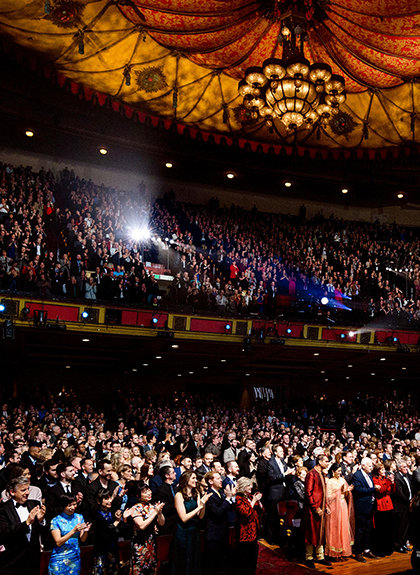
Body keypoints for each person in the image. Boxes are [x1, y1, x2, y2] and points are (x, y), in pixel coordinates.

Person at [0, 476, 46, 575]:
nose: (27, 492)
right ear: (12, 492)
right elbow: (4, 532)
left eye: (28, 489)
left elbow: (42, 531)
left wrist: (41, 520)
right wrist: (26, 523)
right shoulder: (3, 509)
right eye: (23, 490)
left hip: (33, 557)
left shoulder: (34, 504)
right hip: (13, 559)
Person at [172, 470, 211, 574]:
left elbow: (200, 516)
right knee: (184, 561)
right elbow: (183, 518)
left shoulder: (196, 493)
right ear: (186, 479)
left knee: (195, 560)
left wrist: (203, 504)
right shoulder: (179, 495)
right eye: (193, 478)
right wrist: (200, 507)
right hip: (183, 532)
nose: (196, 480)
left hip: (194, 531)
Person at [125, 480, 165, 575]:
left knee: (152, 569)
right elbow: (141, 526)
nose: (149, 493)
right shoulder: (136, 508)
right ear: (138, 495)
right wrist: (155, 512)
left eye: (149, 490)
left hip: (151, 543)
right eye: (144, 492)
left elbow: (162, 523)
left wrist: (159, 513)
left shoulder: (152, 506)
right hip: (140, 544)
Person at [48, 493, 91, 575]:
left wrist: (85, 531)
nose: (73, 507)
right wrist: (73, 531)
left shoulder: (79, 517)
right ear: (63, 506)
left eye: (74, 504)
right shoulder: (56, 520)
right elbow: (58, 542)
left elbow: (82, 539)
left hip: (74, 558)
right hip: (59, 559)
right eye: (69, 505)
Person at [303, 453, 332, 568]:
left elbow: (323, 492)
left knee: (320, 532)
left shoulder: (321, 474)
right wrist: (315, 508)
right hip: (312, 510)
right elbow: (308, 493)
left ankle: (320, 556)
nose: (328, 463)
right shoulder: (311, 474)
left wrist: (325, 506)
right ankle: (309, 557)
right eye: (326, 461)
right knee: (311, 533)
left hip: (321, 508)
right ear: (320, 462)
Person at [325, 463, 354, 560]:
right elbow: (328, 497)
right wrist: (339, 491)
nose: (339, 473)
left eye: (340, 471)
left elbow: (345, 493)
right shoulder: (330, 482)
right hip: (334, 506)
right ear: (333, 471)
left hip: (342, 505)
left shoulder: (342, 480)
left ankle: (342, 551)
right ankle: (334, 552)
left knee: (343, 526)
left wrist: (348, 491)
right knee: (335, 528)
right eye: (338, 471)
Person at [235, 476, 263, 575]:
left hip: (254, 531)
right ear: (243, 487)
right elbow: (246, 512)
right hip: (245, 532)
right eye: (248, 485)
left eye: (251, 485)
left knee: (253, 559)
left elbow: (261, 510)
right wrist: (254, 501)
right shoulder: (239, 499)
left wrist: (258, 500)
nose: (251, 487)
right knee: (244, 560)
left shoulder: (250, 497)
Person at [351, 457, 377, 562]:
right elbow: (358, 490)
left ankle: (367, 549)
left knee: (368, 529)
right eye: (369, 466)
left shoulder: (369, 474)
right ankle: (358, 552)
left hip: (370, 506)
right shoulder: (357, 475)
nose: (371, 467)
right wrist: (373, 489)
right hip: (361, 507)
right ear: (363, 466)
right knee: (360, 530)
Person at [92, 489, 122, 575]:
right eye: (106, 498)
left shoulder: (112, 512)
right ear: (98, 501)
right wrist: (117, 522)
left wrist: (123, 519)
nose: (109, 501)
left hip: (113, 549)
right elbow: (105, 531)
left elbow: (118, 530)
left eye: (110, 498)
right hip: (101, 550)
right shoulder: (96, 515)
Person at [372, 463, 395, 557]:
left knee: (388, 528)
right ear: (378, 471)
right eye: (381, 470)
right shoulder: (375, 479)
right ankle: (380, 550)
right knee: (381, 529)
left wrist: (392, 483)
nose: (384, 471)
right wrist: (389, 482)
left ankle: (388, 548)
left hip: (389, 504)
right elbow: (381, 491)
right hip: (381, 505)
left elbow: (391, 491)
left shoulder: (385, 479)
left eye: (384, 469)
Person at [393, 459, 413, 553]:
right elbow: (399, 493)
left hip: (407, 505)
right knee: (400, 527)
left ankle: (403, 543)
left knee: (406, 526)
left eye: (406, 466)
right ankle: (398, 545)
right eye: (404, 467)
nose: (406, 468)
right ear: (399, 468)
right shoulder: (397, 477)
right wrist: (409, 501)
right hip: (401, 506)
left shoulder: (406, 475)